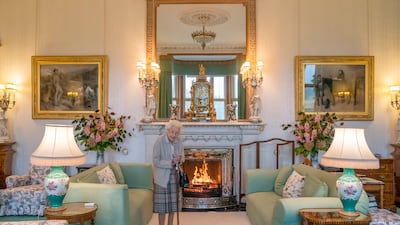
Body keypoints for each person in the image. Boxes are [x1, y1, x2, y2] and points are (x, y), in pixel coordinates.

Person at [152, 120, 185, 225]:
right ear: (167, 131)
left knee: (172, 206)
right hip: (162, 177)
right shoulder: (159, 141)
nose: (174, 135)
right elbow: (156, 161)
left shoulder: (179, 141)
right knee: (162, 207)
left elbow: (183, 157)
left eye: (176, 133)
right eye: (172, 132)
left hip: (174, 176)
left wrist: (179, 159)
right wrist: (170, 162)